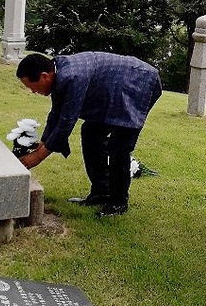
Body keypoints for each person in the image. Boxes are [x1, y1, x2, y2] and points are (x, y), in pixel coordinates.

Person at [15, 52, 162, 217]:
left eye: (31, 86)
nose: (32, 91)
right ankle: (101, 193)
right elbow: (56, 112)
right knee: (91, 132)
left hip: (139, 83)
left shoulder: (72, 77)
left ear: (44, 76)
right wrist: (43, 143)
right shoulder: (57, 73)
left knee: (119, 146)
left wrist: (37, 157)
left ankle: (118, 203)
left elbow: (67, 120)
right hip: (115, 88)